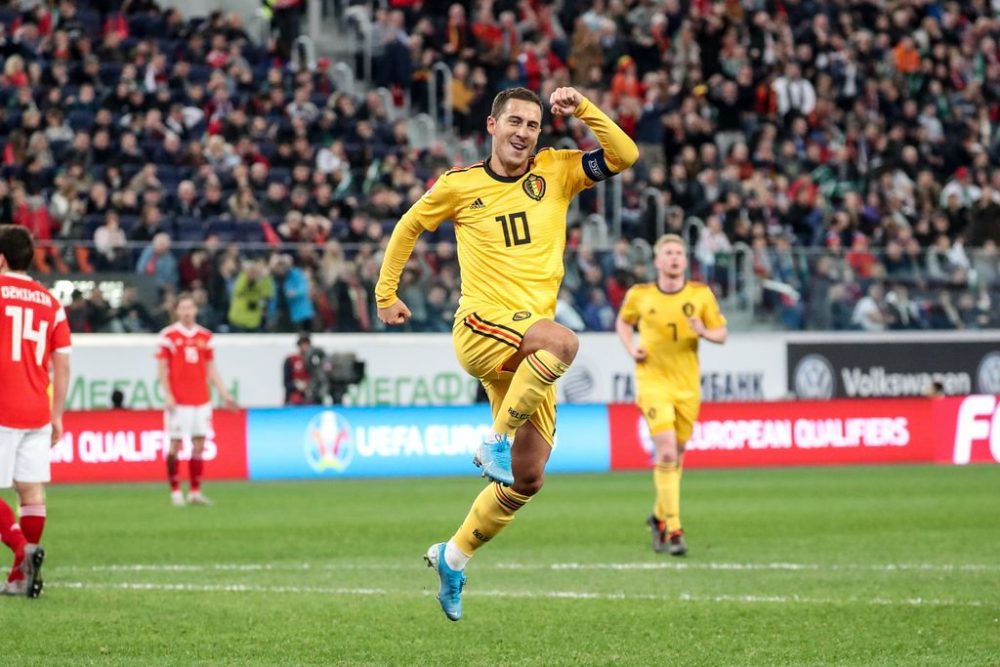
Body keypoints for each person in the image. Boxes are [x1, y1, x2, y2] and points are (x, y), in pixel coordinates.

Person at [375, 86, 638, 620]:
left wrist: (584, 109)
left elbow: (624, 156)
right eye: (514, 121)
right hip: (481, 327)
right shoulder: (459, 185)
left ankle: (453, 557)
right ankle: (492, 439)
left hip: (526, 352)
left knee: (529, 477)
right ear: (491, 127)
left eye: (534, 125)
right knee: (564, 340)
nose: (523, 132)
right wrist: (386, 294)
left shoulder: (559, 172)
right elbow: (408, 227)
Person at [615, 234, 727, 556]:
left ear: (685, 260)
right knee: (665, 453)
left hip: (687, 386)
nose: (675, 258)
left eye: (679, 253)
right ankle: (675, 529)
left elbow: (722, 333)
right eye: (668, 253)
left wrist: (703, 331)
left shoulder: (700, 294)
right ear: (657, 261)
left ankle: (658, 519)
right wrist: (631, 347)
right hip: (652, 382)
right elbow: (623, 324)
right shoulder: (640, 295)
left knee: (676, 455)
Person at [0, 225, 72, 597]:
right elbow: (62, 364)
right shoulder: (50, 302)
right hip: (36, 409)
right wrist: (57, 413)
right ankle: (19, 577)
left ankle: (19, 549)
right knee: (31, 493)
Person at [156, 293, 237, 507]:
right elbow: (162, 370)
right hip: (179, 400)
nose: (187, 311)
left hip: (201, 399)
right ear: (177, 311)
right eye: (182, 308)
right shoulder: (168, 336)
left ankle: (194, 491)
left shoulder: (206, 336)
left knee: (199, 444)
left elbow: (211, 369)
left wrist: (225, 394)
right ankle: (175, 491)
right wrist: (169, 394)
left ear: (196, 310)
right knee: (175, 444)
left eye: (190, 307)